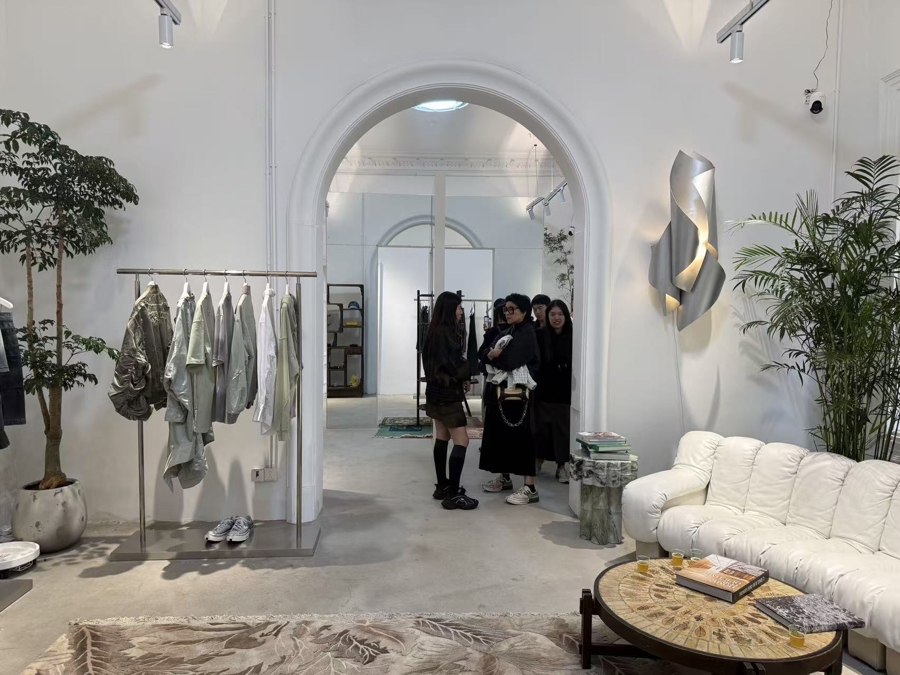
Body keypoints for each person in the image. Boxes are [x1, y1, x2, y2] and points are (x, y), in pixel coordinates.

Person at [479, 293, 542, 505]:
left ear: (524, 311)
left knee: (523, 439)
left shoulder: (527, 333)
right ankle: (504, 477)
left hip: (519, 397)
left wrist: (493, 356)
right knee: (502, 437)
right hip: (503, 395)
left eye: (512, 309)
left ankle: (530, 488)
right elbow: (483, 354)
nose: (507, 313)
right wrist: (491, 355)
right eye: (505, 309)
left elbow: (509, 361)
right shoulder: (509, 331)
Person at [423, 291, 478, 510]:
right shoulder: (447, 334)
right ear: (449, 310)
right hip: (448, 395)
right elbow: (455, 365)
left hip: (435, 392)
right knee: (462, 440)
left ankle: (442, 486)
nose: (461, 311)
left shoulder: (432, 332)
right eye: (458, 307)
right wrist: (466, 373)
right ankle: (453, 494)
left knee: (442, 436)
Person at [535, 300, 573, 483]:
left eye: (560, 314)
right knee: (541, 430)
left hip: (564, 393)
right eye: (552, 314)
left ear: (565, 316)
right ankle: (538, 460)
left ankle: (561, 466)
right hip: (543, 391)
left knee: (562, 432)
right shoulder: (540, 336)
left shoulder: (573, 337)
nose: (556, 318)